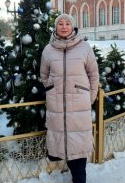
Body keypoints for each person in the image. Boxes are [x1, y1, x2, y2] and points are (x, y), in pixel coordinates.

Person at [40, 13, 99, 183]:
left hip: (79, 105)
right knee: (59, 139)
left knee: (79, 156)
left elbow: (93, 75)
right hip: (56, 104)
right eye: (60, 24)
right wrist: (51, 90)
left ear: (73, 27)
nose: (64, 26)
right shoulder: (48, 49)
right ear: (56, 27)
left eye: (67, 23)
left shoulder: (84, 48)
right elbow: (44, 75)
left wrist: (89, 97)